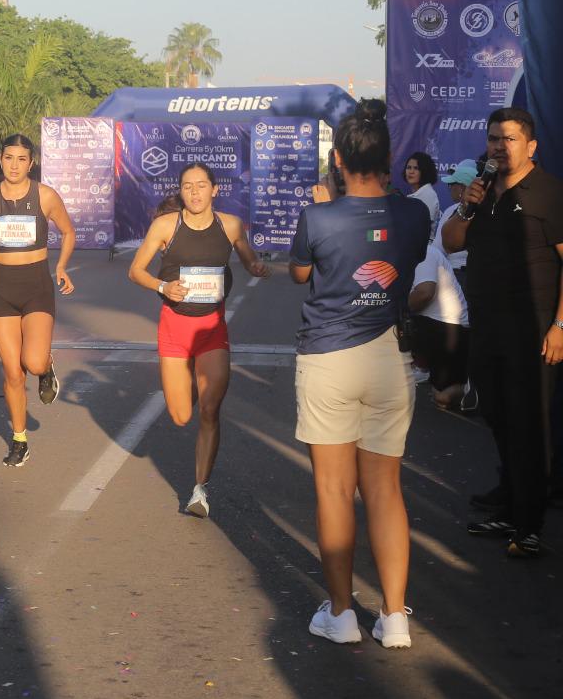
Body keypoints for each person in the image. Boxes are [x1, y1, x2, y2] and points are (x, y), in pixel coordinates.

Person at [289, 100, 430, 648]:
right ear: (390, 159)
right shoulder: (414, 214)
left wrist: (327, 204)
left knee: (333, 488)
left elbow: (302, 271)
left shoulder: (318, 216)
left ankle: (342, 614)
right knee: (386, 489)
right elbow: (411, 259)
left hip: (328, 357)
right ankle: (394, 617)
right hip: (389, 356)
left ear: (339, 159)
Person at [441, 107, 563, 560]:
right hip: (488, 328)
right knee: (496, 414)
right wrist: (469, 205)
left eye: (508, 139)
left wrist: (561, 325)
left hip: (534, 332)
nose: (498, 146)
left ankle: (528, 524)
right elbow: (452, 241)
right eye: (493, 138)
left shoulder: (548, 193)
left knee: (530, 424)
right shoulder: (483, 192)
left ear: (531, 146)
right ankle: (511, 506)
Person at [127, 162, 268, 517]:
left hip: (211, 328)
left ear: (214, 190)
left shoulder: (230, 225)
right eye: (187, 186)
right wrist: (164, 286)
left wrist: (256, 267)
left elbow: (248, 257)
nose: (194, 192)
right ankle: (187, 376)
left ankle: (199, 490)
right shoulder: (165, 226)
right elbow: (135, 270)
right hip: (175, 327)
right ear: (181, 191)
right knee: (179, 415)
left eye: (201, 185)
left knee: (209, 409)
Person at [0, 134, 76, 467]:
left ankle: (46, 368)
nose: (14, 165)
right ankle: (19, 439)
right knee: (12, 373)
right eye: (9, 158)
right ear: (0, 159)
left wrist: (62, 266)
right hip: (0, 290)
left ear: (32, 162)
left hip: (36, 287)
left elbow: (68, 232)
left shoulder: (45, 196)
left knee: (34, 363)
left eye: (21, 159)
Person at [408, 243, 470, 412]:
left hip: (449, 326)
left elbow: (424, 293)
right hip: (432, 324)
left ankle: (474, 384)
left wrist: (395, 310)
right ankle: (421, 367)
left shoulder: (424, 252)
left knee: (443, 397)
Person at [432, 159, 476, 289]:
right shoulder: (488, 209)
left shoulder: (453, 210)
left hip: (455, 277)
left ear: (462, 187)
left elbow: (438, 251)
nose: (450, 188)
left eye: (452, 184)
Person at [402, 151, 440, 225]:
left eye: (416, 168)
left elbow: (423, 225)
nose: (411, 172)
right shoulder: (416, 194)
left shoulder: (428, 194)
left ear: (424, 171)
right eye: (408, 167)